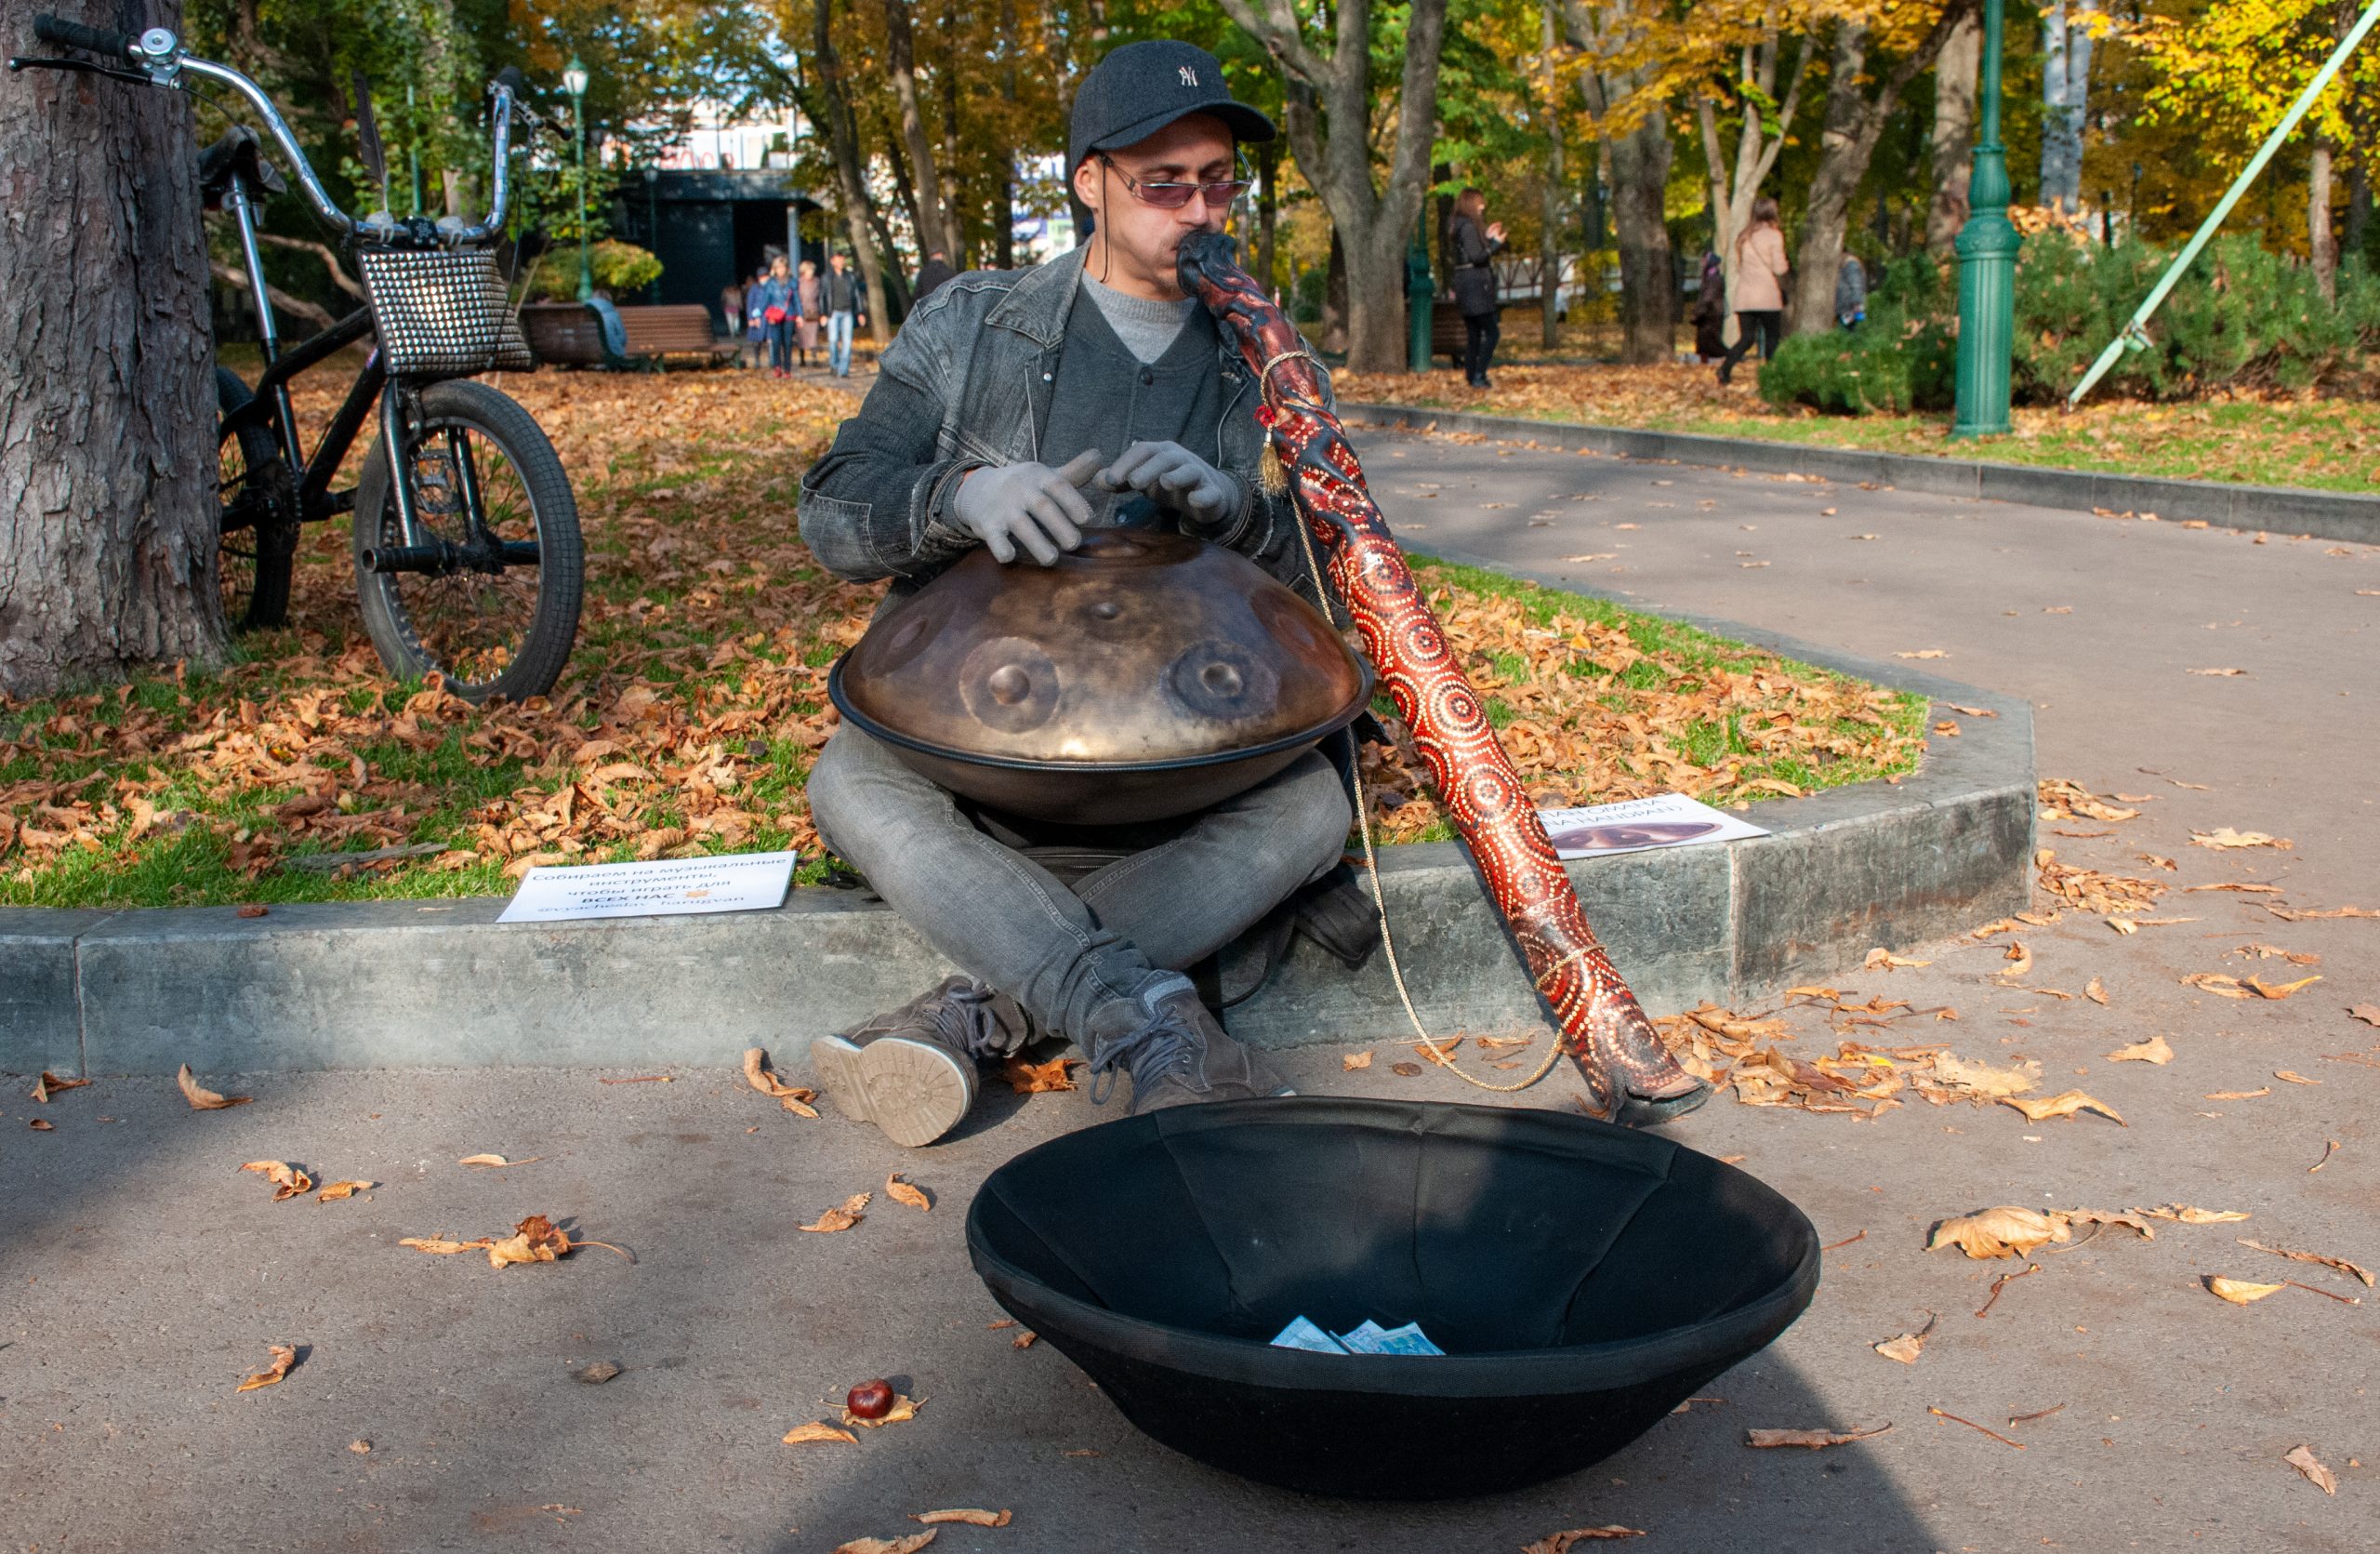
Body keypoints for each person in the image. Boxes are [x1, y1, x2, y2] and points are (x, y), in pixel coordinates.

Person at [796, 38, 1346, 1147]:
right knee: (851, 779)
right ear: (1089, 181)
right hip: (979, 750)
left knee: (1314, 808)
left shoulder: (1267, 361)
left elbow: (1339, 592)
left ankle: (975, 1012)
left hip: (1181, 768)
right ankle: (1131, 1015)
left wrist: (1240, 516)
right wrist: (964, 494)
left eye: (1217, 183)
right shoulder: (973, 324)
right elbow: (833, 513)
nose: (1197, 211)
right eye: (1163, 185)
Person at [1717, 196, 1789, 386]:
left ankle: (1725, 368)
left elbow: (1739, 266)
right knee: (1772, 338)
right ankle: (1770, 377)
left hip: (1745, 296)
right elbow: (1779, 268)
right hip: (1767, 297)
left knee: (1747, 338)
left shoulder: (1743, 237)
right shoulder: (1774, 236)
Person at [1448, 187, 1505, 388]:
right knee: (1491, 332)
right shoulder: (1468, 227)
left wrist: (1488, 239)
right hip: (1475, 287)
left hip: (1465, 285)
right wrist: (1495, 244)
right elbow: (1478, 256)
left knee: (1474, 333)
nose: (1483, 207)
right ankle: (1479, 373)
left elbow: (1472, 252)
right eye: (1480, 203)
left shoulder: (1460, 226)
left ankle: (1472, 374)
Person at [822, 251, 866, 377]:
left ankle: (843, 369)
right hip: (833, 313)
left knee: (847, 342)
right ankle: (834, 365)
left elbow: (857, 295)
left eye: (842, 259)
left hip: (847, 312)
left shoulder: (850, 277)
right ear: (832, 261)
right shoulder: (826, 277)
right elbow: (823, 296)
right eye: (838, 259)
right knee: (833, 340)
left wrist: (860, 313)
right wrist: (823, 314)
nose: (841, 262)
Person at [760, 254, 797, 378]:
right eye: (778, 268)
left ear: (786, 268)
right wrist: (759, 315)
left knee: (788, 343)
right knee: (776, 342)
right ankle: (777, 366)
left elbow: (796, 300)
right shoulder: (770, 283)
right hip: (774, 316)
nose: (781, 270)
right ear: (774, 269)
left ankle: (787, 370)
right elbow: (765, 300)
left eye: (783, 267)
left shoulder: (792, 282)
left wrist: (800, 315)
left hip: (789, 316)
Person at [1691, 248, 1726, 362]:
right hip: (1708, 314)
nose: (1702, 263)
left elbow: (1708, 298)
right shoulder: (1710, 278)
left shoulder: (1713, 279)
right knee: (1705, 346)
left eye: (1704, 260)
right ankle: (1705, 364)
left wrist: (1698, 312)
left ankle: (1732, 357)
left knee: (1712, 345)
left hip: (1711, 315)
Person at [742, 264, 772, 370]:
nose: (765, 278)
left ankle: (771, 360)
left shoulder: (771, 287)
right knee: (756, 340)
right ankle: (757, 360)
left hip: (769, 317)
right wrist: (750, 318)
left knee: (770, 340)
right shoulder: (754, 288)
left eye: (766, 276)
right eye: (762, 276)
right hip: (757, 318)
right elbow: (750, 304)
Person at [795, 258, 823, 367]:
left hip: (814, 311)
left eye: (812, 270)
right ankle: (802, 359)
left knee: (813, 336)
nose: (811, 272)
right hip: (802, 312)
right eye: (808, 270)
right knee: (802, 336)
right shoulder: (798, 282)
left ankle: (814, 358)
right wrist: (798, 313)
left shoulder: (817, 281)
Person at [1836, 251, 1868, 330]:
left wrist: (1857, 304)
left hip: (1849, 309)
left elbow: (1856, 285)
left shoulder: (1850, 264)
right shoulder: (1844, 264)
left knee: (1849, 334)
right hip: (1844, 308)